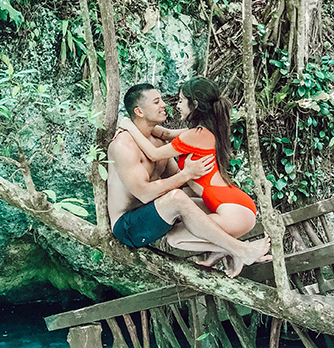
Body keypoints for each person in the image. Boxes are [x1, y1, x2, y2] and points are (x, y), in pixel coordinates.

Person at [107, 82, 271, 278]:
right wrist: (186, 174)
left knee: (181, 217)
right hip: (129, 226)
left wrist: (191, 180)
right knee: (177, 200)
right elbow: (144, 193)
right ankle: (241, 250)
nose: (165, 105)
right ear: (139, 111)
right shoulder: (123, 145)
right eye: (157, 101)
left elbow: (178, 180)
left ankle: (228, 250)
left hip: (157, 214)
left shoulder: (161, 143)